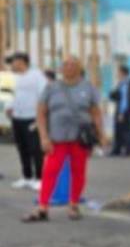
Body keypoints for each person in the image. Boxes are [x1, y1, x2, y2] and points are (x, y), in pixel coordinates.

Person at [23, 56, 106, 222]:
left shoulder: (88, 87)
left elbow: (96, 113)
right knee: (50, 171)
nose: (68, 67)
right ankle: (42, 207)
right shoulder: (51, 88)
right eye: (65, 64)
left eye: (73, 64)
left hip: (80, 138)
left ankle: (73, 205)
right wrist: (44, 137)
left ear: (79, 67)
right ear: (61, 69)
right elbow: (41, 113)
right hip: (57, 138)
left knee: (78, 172)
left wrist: (101, 134)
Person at [5, 51, 47, 191]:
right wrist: (9, 107)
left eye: (14, 61)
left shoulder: (36, 75)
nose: (12, 64)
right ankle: (27, 176)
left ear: (22, 62)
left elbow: (44, 95)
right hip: (17, 117)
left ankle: (40, 178)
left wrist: (41, 114)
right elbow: (14, 95)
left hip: (32, 117)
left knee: (35, 148)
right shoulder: (15, 78)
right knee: (22, 148)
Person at [108, 64, 130, 157]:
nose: (117, 74)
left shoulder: (125, 84)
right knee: (119, 130)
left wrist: (122, 113)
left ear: (123, 73)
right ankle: (118, 149)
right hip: (122, 110)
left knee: (125, 130)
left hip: (123, 110)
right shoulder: (123, 83)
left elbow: (125, 100)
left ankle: (127, 149)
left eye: (118, 72)